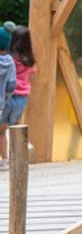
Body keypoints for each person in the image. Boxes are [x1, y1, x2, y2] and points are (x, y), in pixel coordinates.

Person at [0, 26, 33, 170]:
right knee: (16, 128)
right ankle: (18, 158)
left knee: (1, 130)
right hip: (22, 98)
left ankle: (5, 160)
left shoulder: (12, 59)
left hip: (7, 98)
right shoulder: (30, 59)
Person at [0, 28, 15, 170]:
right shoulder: (10, 61)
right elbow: (11, 86)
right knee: (2, 132)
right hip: (3, 104)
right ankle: (5, 161)